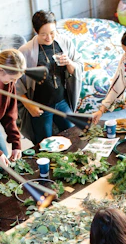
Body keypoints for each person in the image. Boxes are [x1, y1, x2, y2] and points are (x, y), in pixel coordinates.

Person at [17, 10, 83, 144]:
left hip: (61, 101)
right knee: (45, 143)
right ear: (35, 31)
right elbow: (15, 83)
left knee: (73, 135)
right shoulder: (25, 51)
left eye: (52, 32)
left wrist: (69, 63)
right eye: (43, 34)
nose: (49, 38)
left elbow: (79, 65)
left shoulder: (64, 42)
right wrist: (29, 105)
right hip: (40, 106)